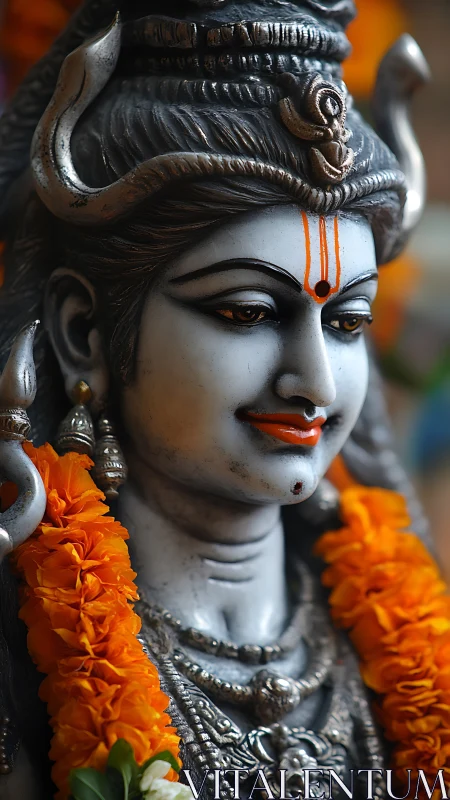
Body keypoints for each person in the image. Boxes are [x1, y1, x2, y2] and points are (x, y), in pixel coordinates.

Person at [0, 1, 431, 797]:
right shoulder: (16, 670)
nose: (316, 381)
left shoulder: (416, 643)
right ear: (84, 330)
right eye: (248, 313)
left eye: (348, 322)